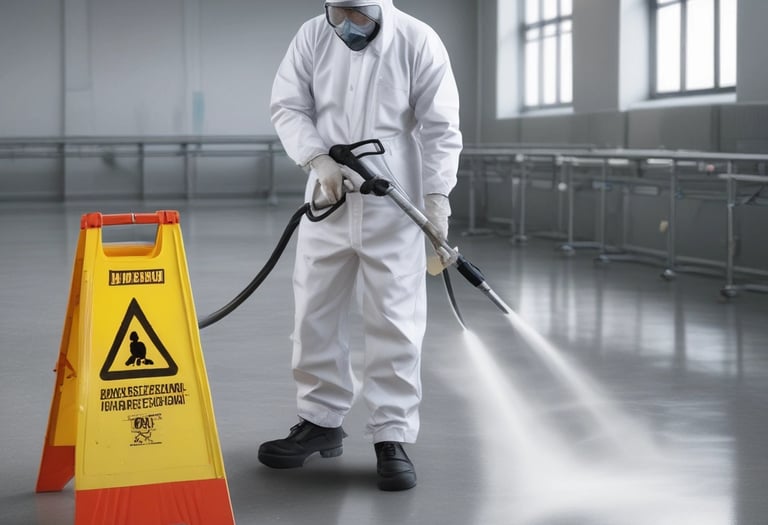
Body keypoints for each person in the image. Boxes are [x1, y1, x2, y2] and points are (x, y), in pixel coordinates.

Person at [258, 0, 462, 491]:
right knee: (315, 312)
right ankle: (320, 421)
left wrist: (437, 199)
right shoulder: (311, 36)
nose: (348, 25)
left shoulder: (418, 40)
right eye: (339, 13)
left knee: (394, 317)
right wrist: (316, 160)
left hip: (395, 203)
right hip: (328, 199)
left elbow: (439, 127)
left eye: (359, 15)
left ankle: (391, 435)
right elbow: (288, 105)